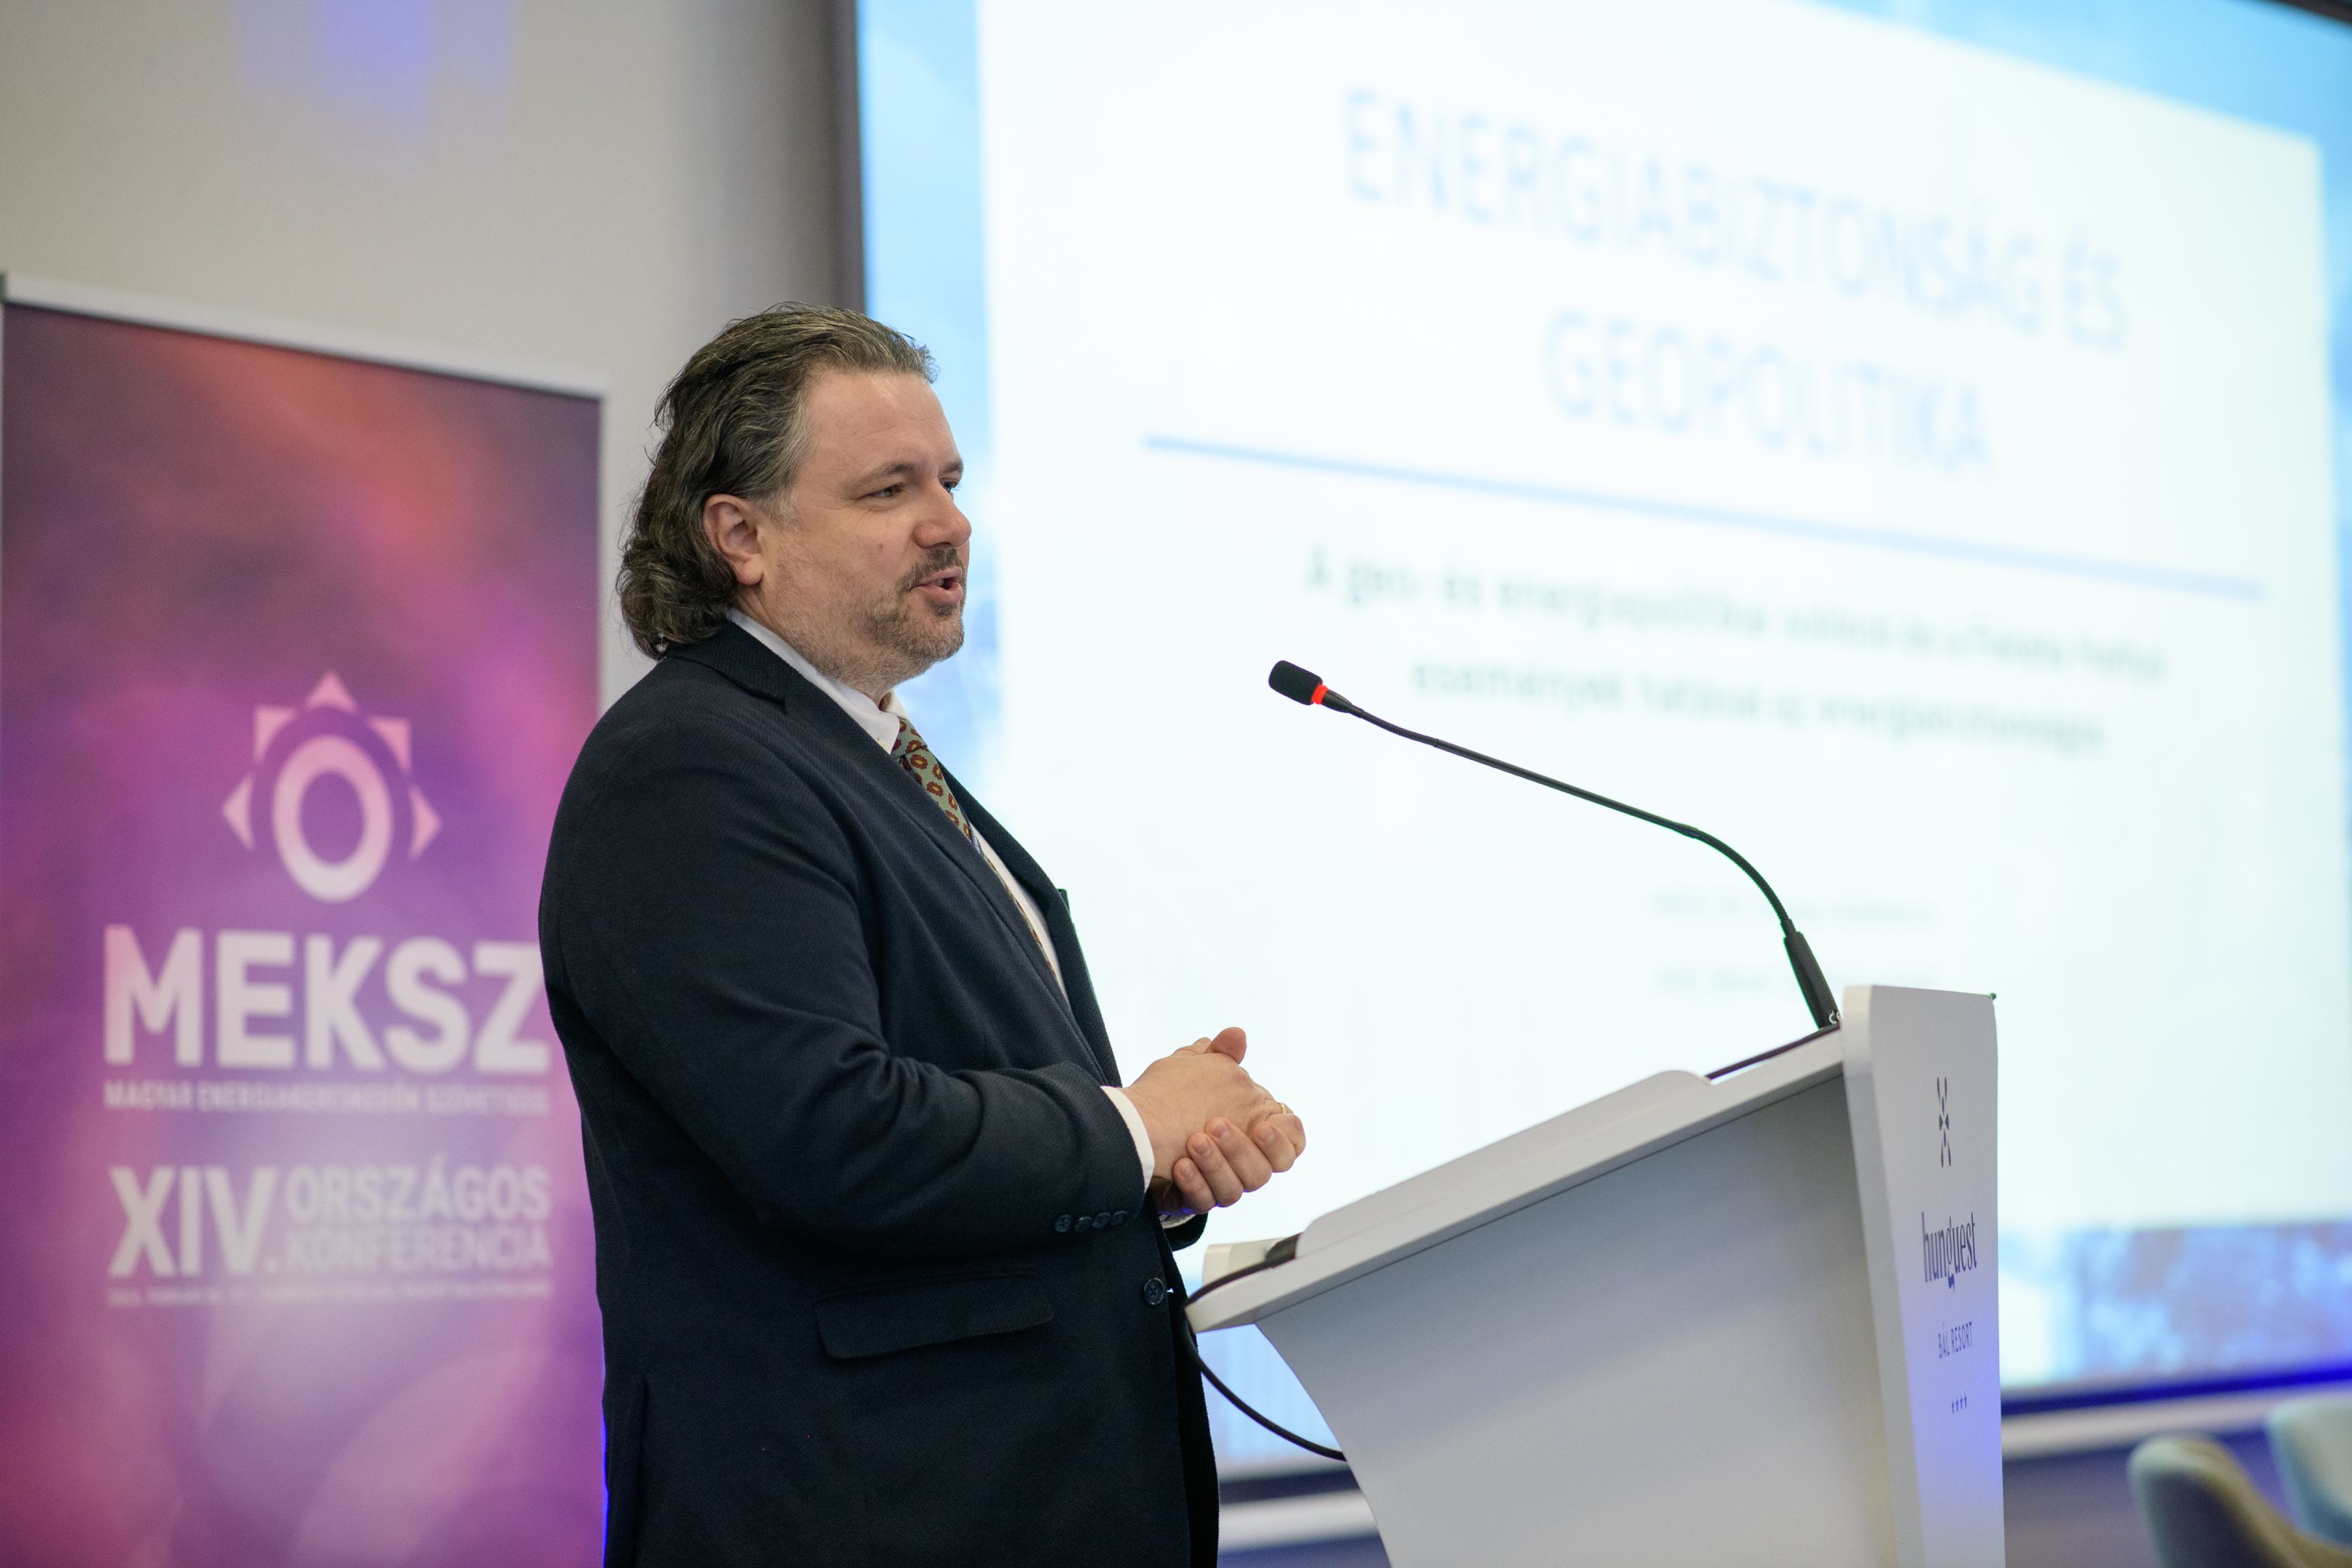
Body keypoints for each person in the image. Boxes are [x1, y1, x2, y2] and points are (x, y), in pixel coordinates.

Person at [539, 304, 1308, 1567]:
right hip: (865, 1515)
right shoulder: (692, 769)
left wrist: (1148, 1170)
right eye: (889, 489)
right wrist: (1127, 1126)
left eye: (949, 480)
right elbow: (833, 1137)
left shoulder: (863, 747)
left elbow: (948, 1096)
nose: (950, 523)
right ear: (741, 536)